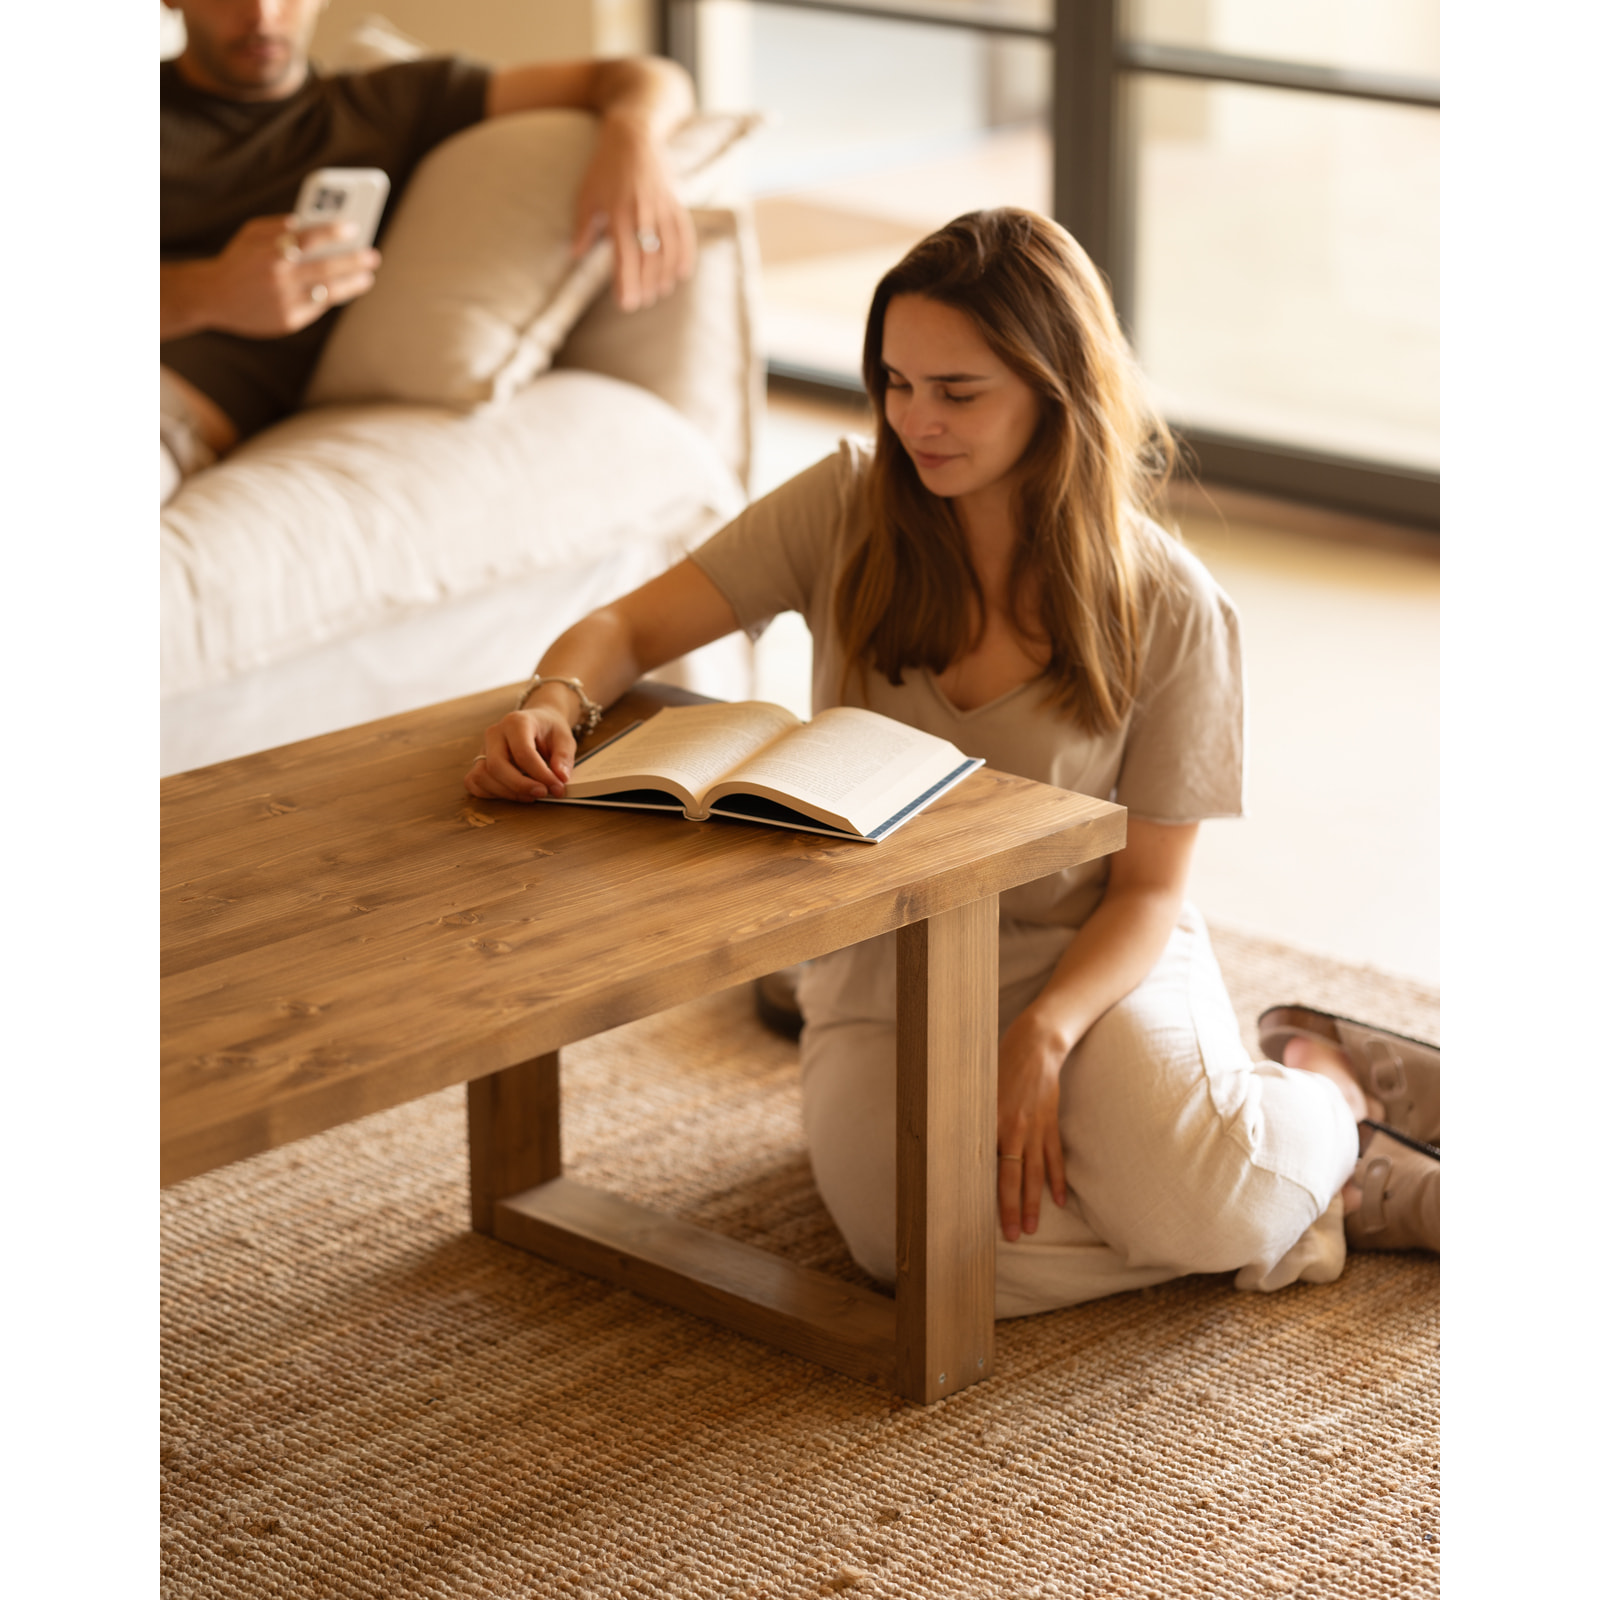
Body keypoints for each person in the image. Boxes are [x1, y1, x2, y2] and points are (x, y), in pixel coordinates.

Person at [464, 208, 1440, 1316]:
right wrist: (554, 697)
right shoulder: (843, 503)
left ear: (1052, 387)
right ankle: (1314, 1200)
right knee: (918, 1259)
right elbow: (623, 629)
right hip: (887, 969)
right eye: (895, 381)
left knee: (1208, 1204)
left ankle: (1323, 1094)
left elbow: (1152, 890)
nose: (914, 420)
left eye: (956, 391)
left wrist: (1045, 1035)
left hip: (1084, 960)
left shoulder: (1171, 607)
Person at [160, 0, 698, 500]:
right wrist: (211, 291)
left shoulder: (387, 105)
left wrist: (635, 139)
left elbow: (642, 75)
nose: (262, 15)